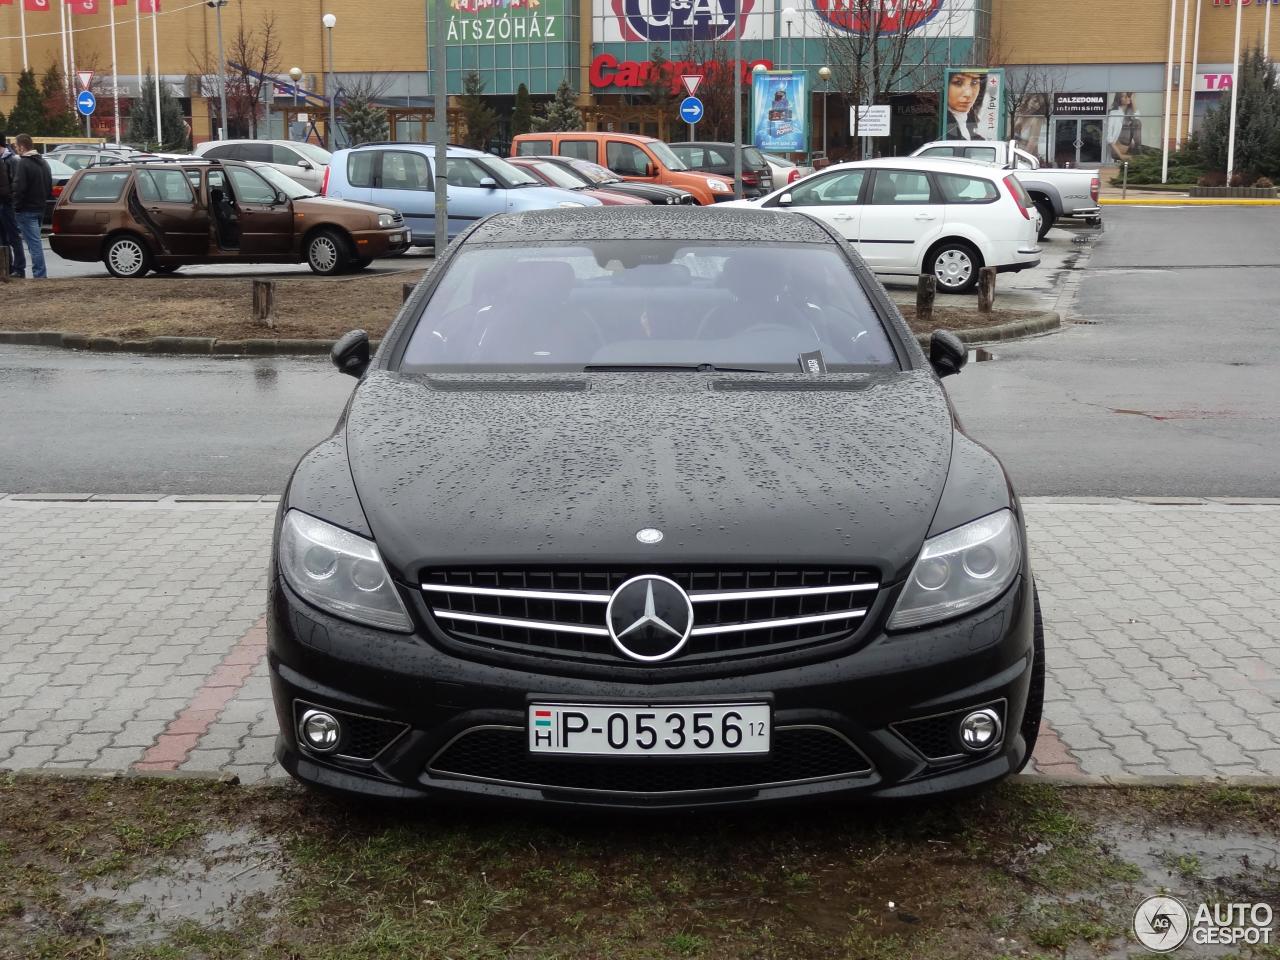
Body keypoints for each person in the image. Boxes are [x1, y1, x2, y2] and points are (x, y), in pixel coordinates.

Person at [11, 134, 51, 279]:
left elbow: (19, 187)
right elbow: (48, 184)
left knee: (34, 245)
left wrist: (16, 206)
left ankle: (40, 275)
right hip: (40, 207)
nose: (15, 149)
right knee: (35, 242)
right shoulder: (43, 162)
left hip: (26, 210)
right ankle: (40, 274)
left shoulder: (24, 163)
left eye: (16, 146)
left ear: (22, 146)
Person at [0, 136, 27, 277]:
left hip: (8, 204)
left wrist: (13, 201)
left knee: (13, 237)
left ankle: (19, 268)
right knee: (2, 239)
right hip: (2, 204)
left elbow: (17, 184)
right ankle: (6, 268)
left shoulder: (12, 160)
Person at [945, 71, 988, 141]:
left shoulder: (972, 125)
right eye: (958, 83)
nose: (968, 94)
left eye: (974, 83)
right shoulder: (938, 124)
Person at [1106, 92, 1143, 162]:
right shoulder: (1113, 113)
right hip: (1117, 147)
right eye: (1124, 96)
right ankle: (1138, 150)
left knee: (1136, 122)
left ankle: (1138, 149)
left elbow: (1137, 118)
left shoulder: (1130, 112)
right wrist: (1121, 155)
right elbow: (1109, 138)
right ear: (1119, 99)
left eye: (1128, 96)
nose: (1127, 98)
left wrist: (1133, 101)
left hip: (1128, 146)